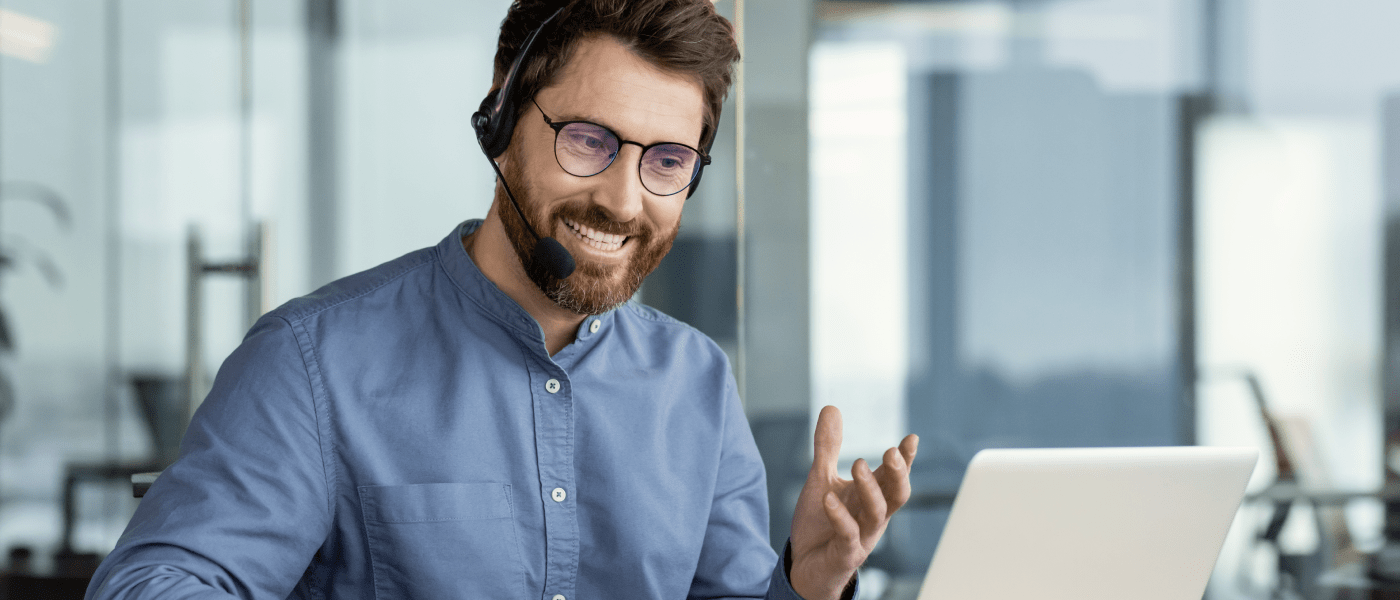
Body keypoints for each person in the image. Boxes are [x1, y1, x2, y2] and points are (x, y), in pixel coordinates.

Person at [86, 1, 918, 599]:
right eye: (589, 141)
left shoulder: (696, 383)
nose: (624, 200)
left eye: (666, 161)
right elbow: (154, 584)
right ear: (502, 118)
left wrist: (803, 586)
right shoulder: (314, 362)